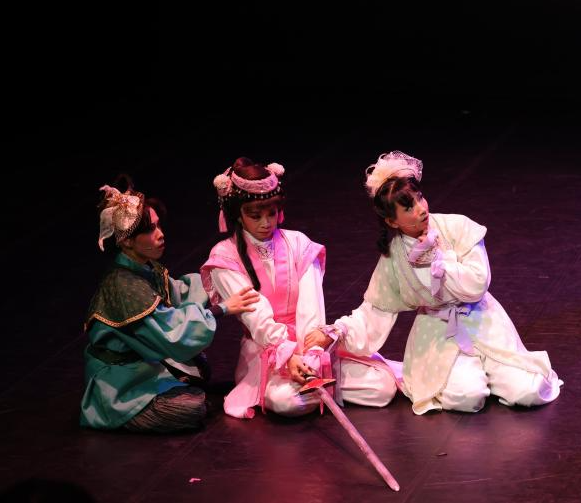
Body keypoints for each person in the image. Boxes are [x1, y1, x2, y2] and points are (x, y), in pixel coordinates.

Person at [305, 151, 562, 415]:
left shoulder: (458, 227)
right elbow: (375, 311)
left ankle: (495, 374)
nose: (421, 209)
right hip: (438, 332)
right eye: (408, 207)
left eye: (420, 198)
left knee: (529, 390)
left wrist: (441, 260)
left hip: (482, 320)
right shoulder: (394, 258)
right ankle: (475, 377)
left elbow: (477, 284)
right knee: (465, 397)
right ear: (392, 221)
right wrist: (336, 331)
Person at [201, 158, 398, 419]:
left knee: (382, 388)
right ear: (238, 214)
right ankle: (315, 390)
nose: (266, 222)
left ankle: (316, 386)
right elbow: (257, 319)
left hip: (310, 344)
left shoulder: (299, 244)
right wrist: (288, 356)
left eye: (272, 213)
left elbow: (311, 308)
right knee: (286, 401)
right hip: (267, 349)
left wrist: (313, 356)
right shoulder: (225, 257)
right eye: (255, 216)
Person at [82, 183, 258, 431]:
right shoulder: (124, 285)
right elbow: (171, 332)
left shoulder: (145, 267)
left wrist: (222, 277)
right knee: (191, 408)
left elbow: (181, 294)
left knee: (200, 368)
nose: (160, 234)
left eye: (158, 225)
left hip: (142, 366)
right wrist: (222, 309)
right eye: (150, 230)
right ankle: (122, 411)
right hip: (119, 383)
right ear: (127, 241)